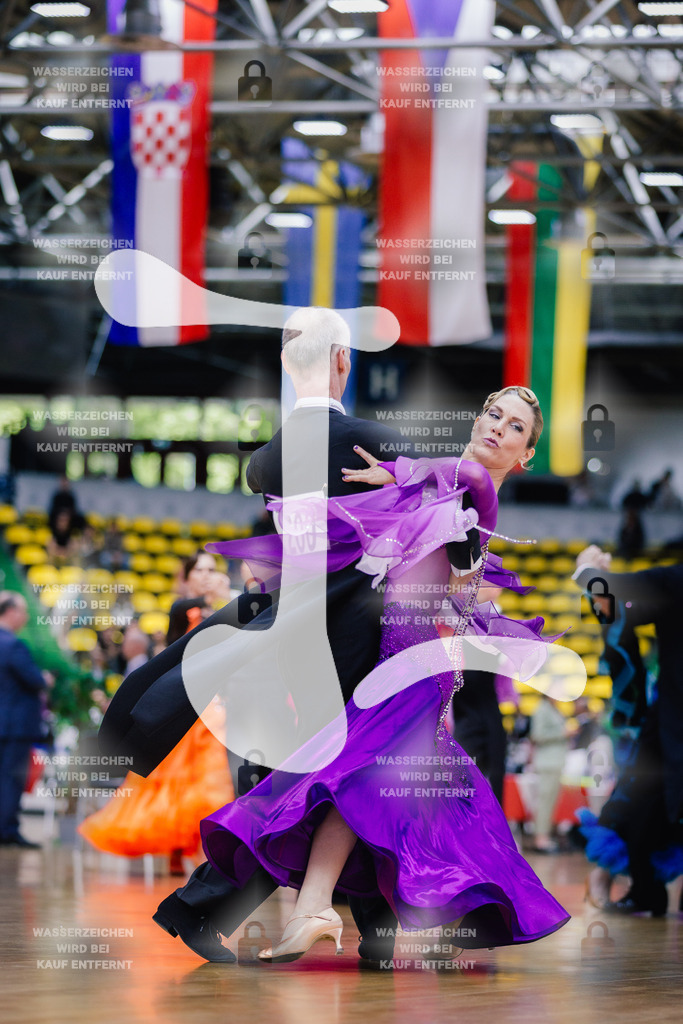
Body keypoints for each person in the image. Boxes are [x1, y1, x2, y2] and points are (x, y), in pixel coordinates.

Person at [197, 384, 570, 963]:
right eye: (494, 413)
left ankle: (316, 908)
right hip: (397, 664)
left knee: (344, 775)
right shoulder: (440, 491)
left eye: (516, 427)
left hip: (411, 671)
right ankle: (454, 918)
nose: (499, 426)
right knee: (431, 798)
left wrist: (400, 469)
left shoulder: (473, 489)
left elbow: (461, 485)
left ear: (525, 456)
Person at [148, 307, 410, 964]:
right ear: (344, 361)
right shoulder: (376, 439)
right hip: (364, 637)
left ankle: (211, 908)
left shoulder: (263, 463)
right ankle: (372, 931)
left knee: (305, 784)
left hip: (290, 640)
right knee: (354, 777)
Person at [79, 573, 234, 870]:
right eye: (200, 570)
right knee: (174, 780)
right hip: (188, 706)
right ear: (189, 578)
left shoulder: (232, 610)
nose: (208, 577)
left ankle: (202, 853)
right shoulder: (186, 609)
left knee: (209, 783)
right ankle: (179, 849)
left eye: (211, 571)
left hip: (214, 713)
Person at [573, 546, 683, 914]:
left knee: (639, 801)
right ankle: (644, 891)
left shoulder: (674, 580)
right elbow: (615, 602)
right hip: (665, 725)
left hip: (672, 724)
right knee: (641, 804)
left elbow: (612, 594)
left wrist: (587, 570)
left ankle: (643, 891)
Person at [0, 591, 51, 848]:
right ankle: (7, 830)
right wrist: (45, 679)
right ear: (10, 612)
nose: (26, 616)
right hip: (15, 725)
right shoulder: (13, 644)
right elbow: (34, 680)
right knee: (11, 778)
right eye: (22, 610)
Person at [529, 694, 573, 853]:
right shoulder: (542, 710)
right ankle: (540, 839)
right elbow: (537, 735)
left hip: (555, 762)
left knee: (550, 802)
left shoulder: (553, 709)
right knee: (545, 802)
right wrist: (563, 733)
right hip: (547, 763)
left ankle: (545, 836)